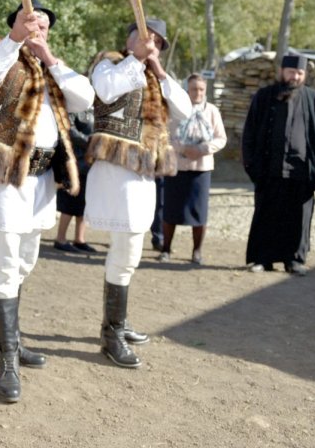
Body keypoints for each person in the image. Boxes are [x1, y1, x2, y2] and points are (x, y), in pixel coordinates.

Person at [0, 0, 94, 402]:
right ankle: (7, 360)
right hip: (4, 175)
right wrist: (16, 37)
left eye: (44, 25)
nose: (39, 29)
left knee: (25, 262)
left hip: (40, 182)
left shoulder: (52, 68)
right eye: (31, 22)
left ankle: (3, 340)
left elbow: (85, 98)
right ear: (17, 24)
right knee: (4, 266)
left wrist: (49, 56)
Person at [85, 18, 190, 369]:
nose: (152, 45)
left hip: (144, 170)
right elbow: (106, 90)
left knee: (131, 250)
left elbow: (185, 109)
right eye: (146, 38)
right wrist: (136, 59)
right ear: (130, 38)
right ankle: (111, 332)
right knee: (125, 247)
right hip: (116, 168)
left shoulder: (154, 75)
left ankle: (118, 321)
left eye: (158, 42)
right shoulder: (109, 62)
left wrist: (157, 68)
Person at [242, 53, 315, 276]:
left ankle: (294, 260)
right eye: (292, 72)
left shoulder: (313, 99)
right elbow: (250, 133)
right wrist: (251, 164)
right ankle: (263, 259)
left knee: (298, 218)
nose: (295, 76)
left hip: (301, 171)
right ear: (282, 71)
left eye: (300, 73)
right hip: (269, 169)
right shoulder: (263, 97)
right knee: (266, 214)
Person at [160, 73, 227, 265]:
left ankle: (197, 252)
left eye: (201, 89)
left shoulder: (212, 111)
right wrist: (181, 148)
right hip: (177, 167)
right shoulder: (175, 109)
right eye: (193, 89)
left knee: (199, 213)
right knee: (171, 210)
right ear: (186, 90)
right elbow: (165, 134)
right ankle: (166, 249)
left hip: (201, 168)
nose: (197, 93)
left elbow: (221, 138)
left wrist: (202, 149)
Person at [53, 112, 98, 254]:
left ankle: (79, 239)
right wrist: (90, 143)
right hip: (75, 161)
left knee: (84, 202)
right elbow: (69, 129)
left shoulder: (93, 106)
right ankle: (60, 239)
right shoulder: (73, 106)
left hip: (89, 162)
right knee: (69, 201)